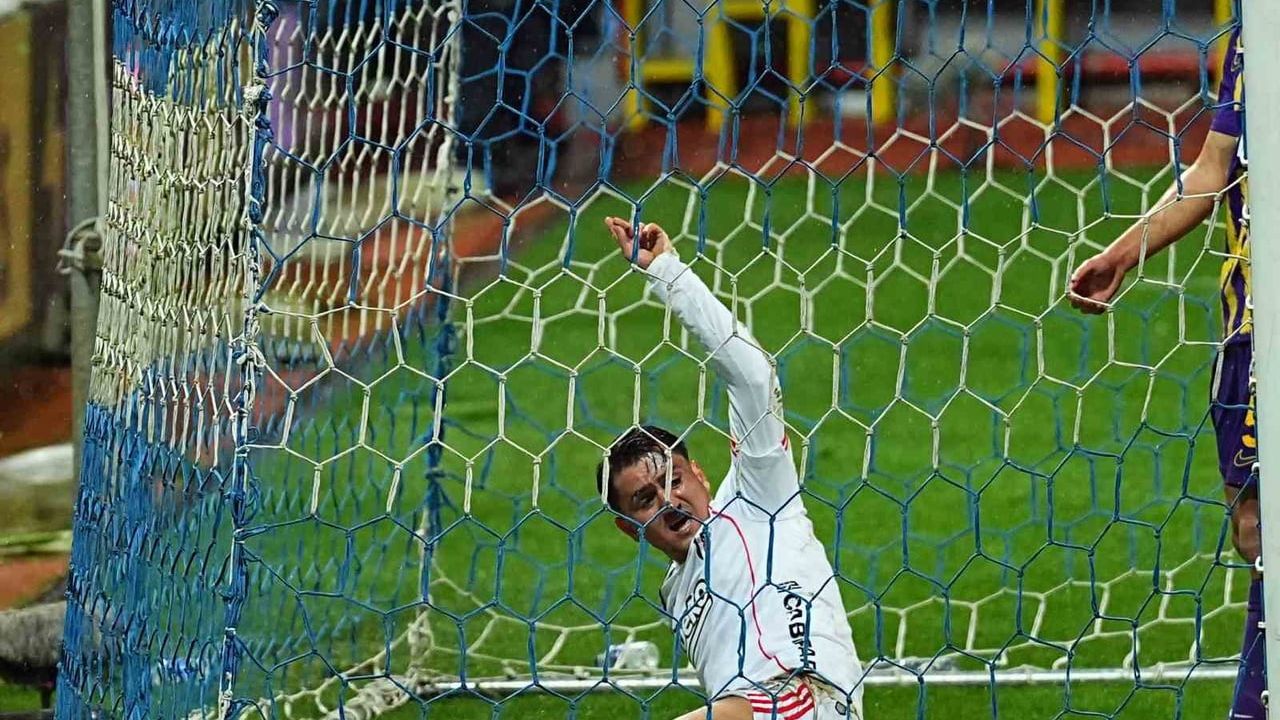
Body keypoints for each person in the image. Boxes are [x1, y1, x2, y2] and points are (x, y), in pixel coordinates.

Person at [1068, 27, 1262, 720]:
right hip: (1251, 331)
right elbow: (1214, 169)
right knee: (1255, 529)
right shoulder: (1256, 33)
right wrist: (1125, 252)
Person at [598, 217, 864, 720]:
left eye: (672, 481)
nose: (668, 502)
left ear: (698, 473)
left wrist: (668, 274)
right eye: (644, 501)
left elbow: (752, 378)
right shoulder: (676, 594)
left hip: (808, 702)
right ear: (628, 528)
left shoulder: (758, 499)